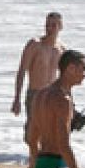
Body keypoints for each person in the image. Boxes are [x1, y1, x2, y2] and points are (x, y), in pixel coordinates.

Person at [13, 11, 66, 154]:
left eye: (53, 25)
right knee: (31, 136)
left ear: (60, 27)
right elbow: (21, 71)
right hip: (36, 94)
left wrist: (67, 99)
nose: (49, 28)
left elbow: (64, 79)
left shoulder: (61, 50)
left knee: (49, 134)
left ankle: (40, 165)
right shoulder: (35, 45)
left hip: (52, 96)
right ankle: (34, 161)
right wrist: (16, 98)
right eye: (47, 25)